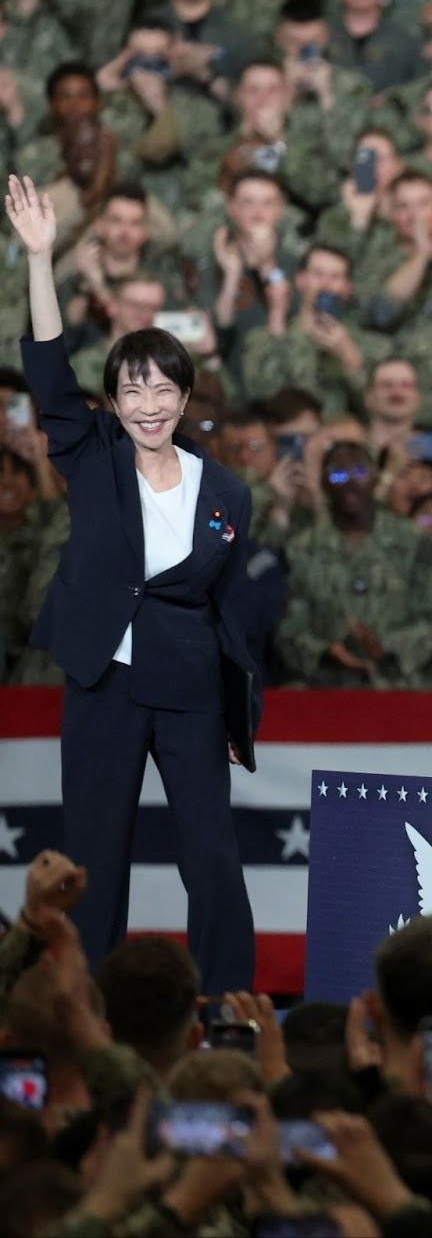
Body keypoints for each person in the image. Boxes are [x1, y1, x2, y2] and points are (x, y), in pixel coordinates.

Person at [5, 173, 258, 990]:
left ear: (185, 397)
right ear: (113, 400)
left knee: (211, 855)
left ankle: (226, 1002)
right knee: (93, 858)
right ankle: (81, 1005)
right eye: (132, 388)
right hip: (104, 682)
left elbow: (231, 612)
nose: (148, 403)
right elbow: (49, 374)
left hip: (190, 689)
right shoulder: (94, 457)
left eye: (163, 388)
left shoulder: (226, 492)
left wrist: (238, 715)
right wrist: (40, 258)